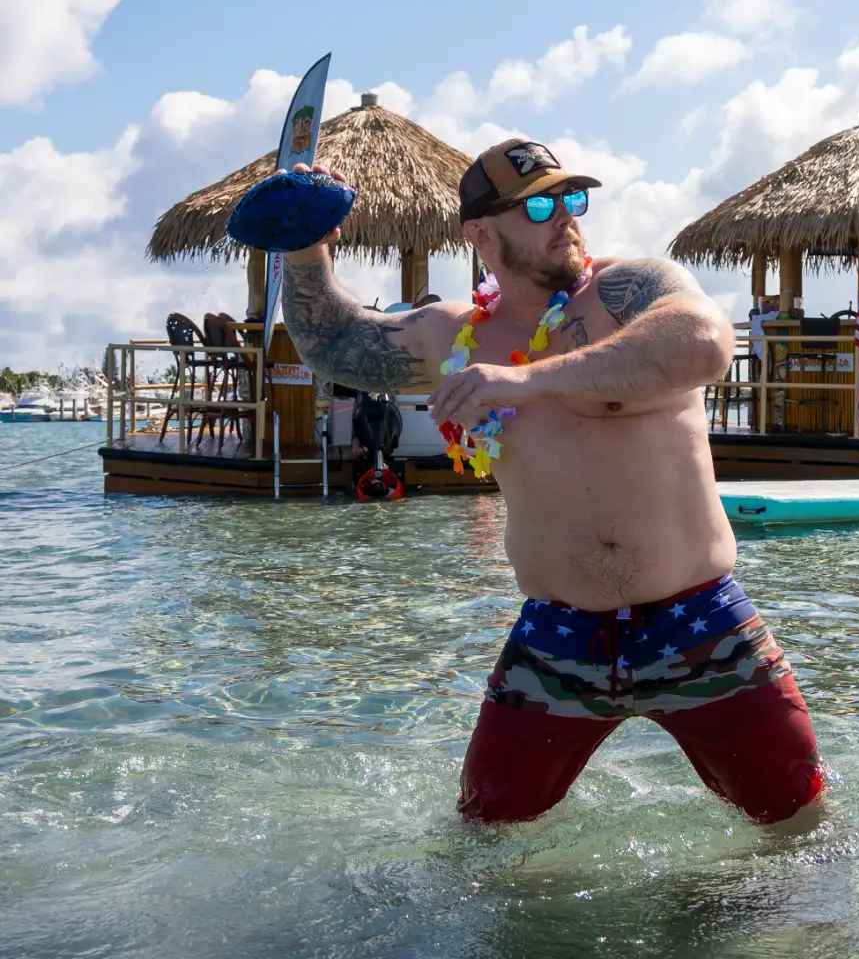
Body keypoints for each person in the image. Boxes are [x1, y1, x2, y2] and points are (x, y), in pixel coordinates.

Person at [276, 138, 826, 826]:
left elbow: (705, 343)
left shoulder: (629, 290)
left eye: (573, 199)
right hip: (557, 639)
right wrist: (304, 248)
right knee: (482, 835)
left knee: (798, 825)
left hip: (699, 621)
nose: (566, 217)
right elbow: (335, 341)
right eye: (539, 205)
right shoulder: (455, 340)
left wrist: (529, 380)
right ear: (481, 234)